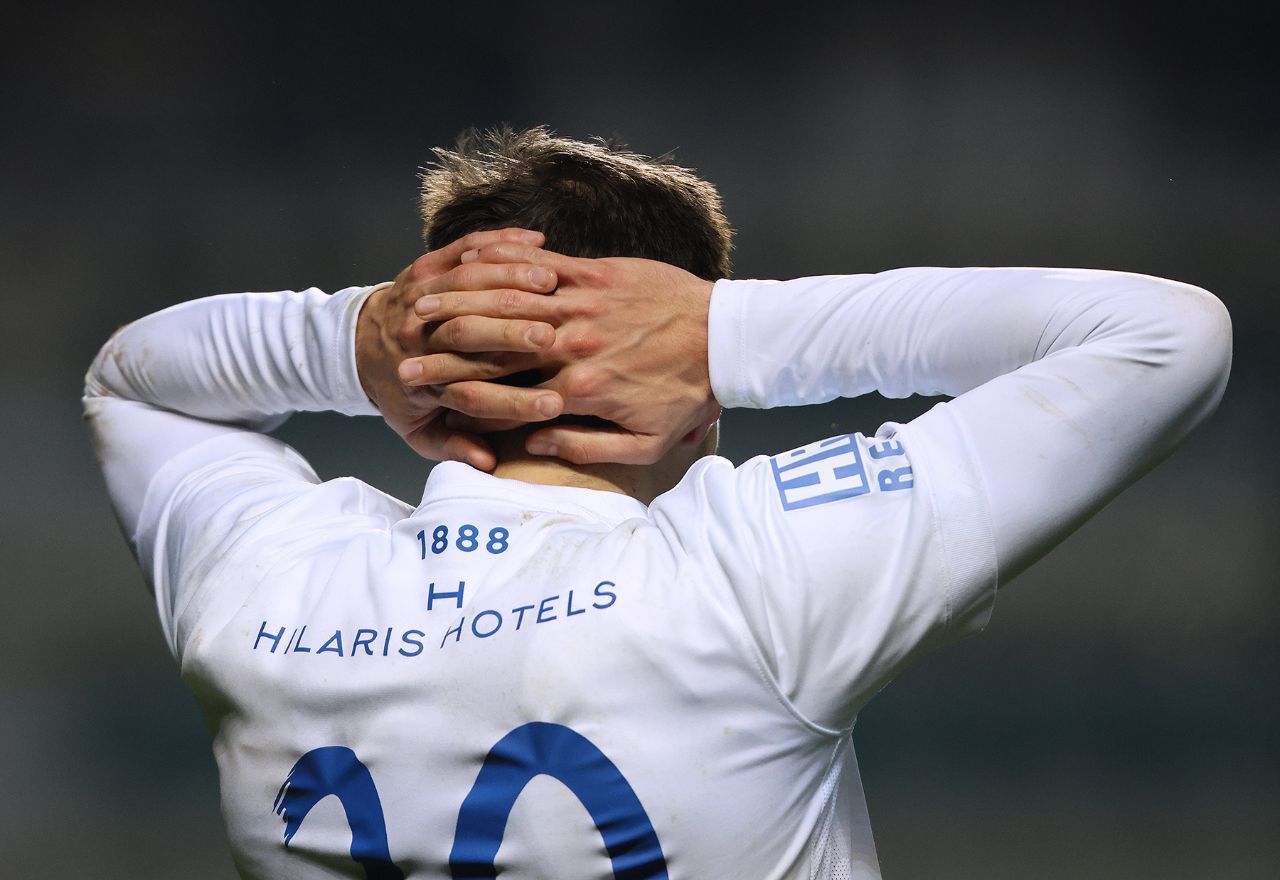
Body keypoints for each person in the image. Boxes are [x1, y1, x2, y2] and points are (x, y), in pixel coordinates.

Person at [84, 127, 1231, 879]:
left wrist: (349, 340)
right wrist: (725, 335)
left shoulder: (270, 585)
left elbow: (130, 382)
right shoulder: (745, 576)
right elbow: (1161, 337)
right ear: (693, 403)